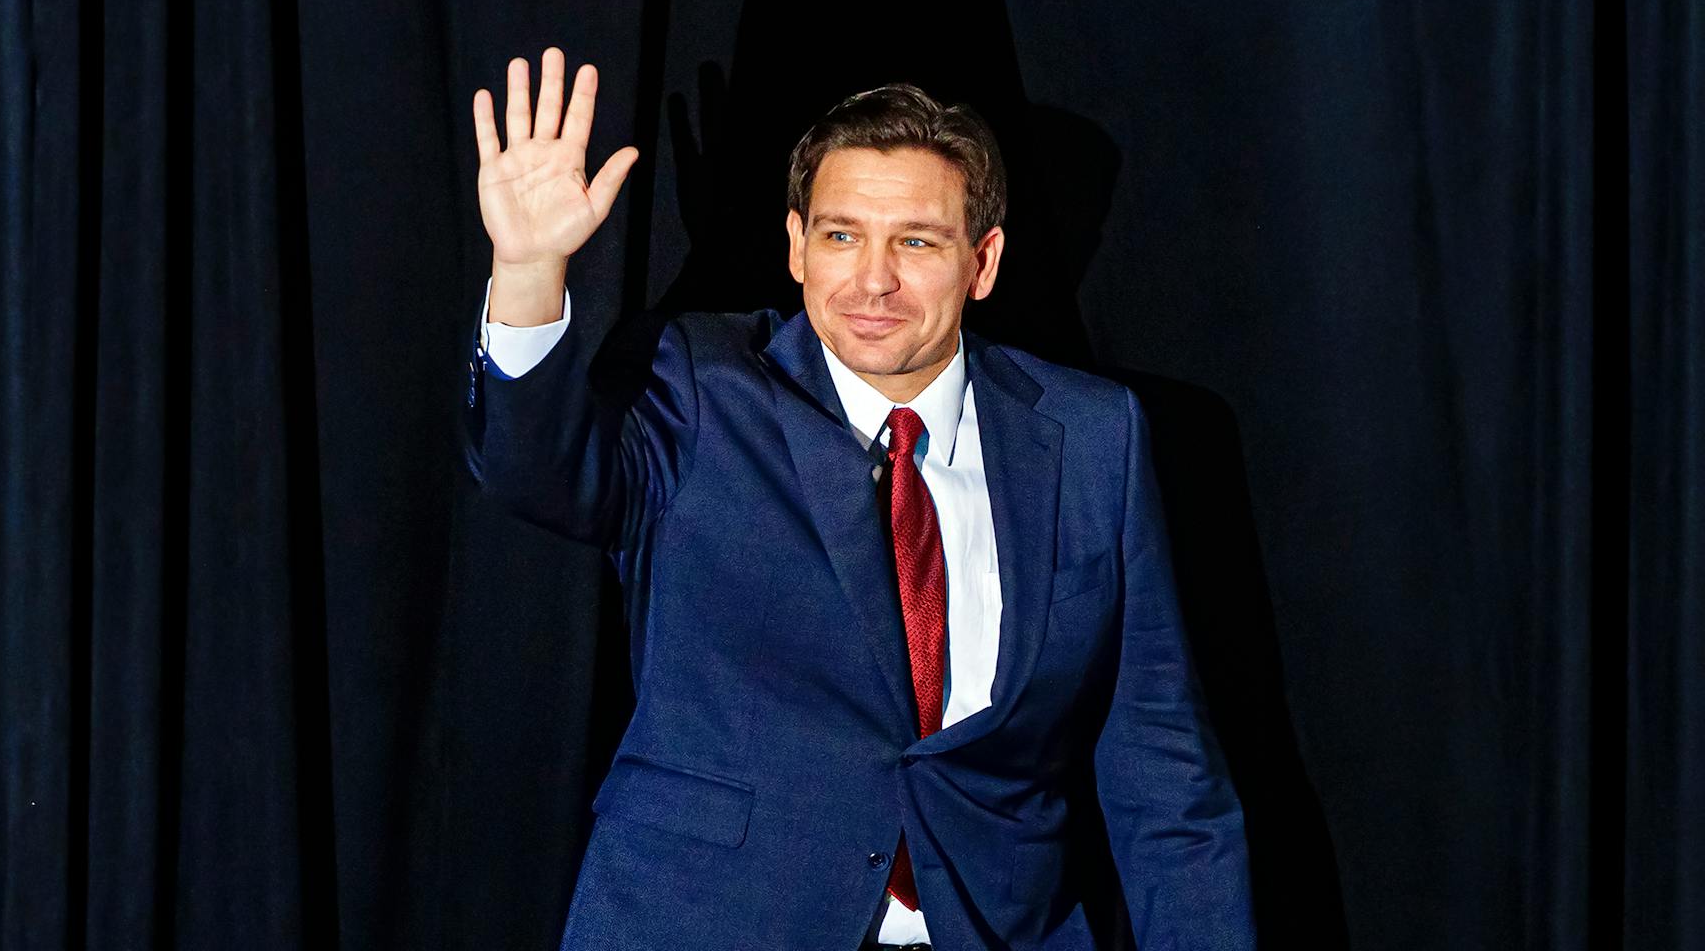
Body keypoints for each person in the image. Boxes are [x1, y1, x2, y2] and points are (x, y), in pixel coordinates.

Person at [461, 46, 1255, 950]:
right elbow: (537, 472)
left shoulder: (1093, 436)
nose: (873, 279)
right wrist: (528, 273)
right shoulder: (700, 387)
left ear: (983, 261)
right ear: (796, 245)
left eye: (915, 241)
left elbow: (1165, 776)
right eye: (841, 235)